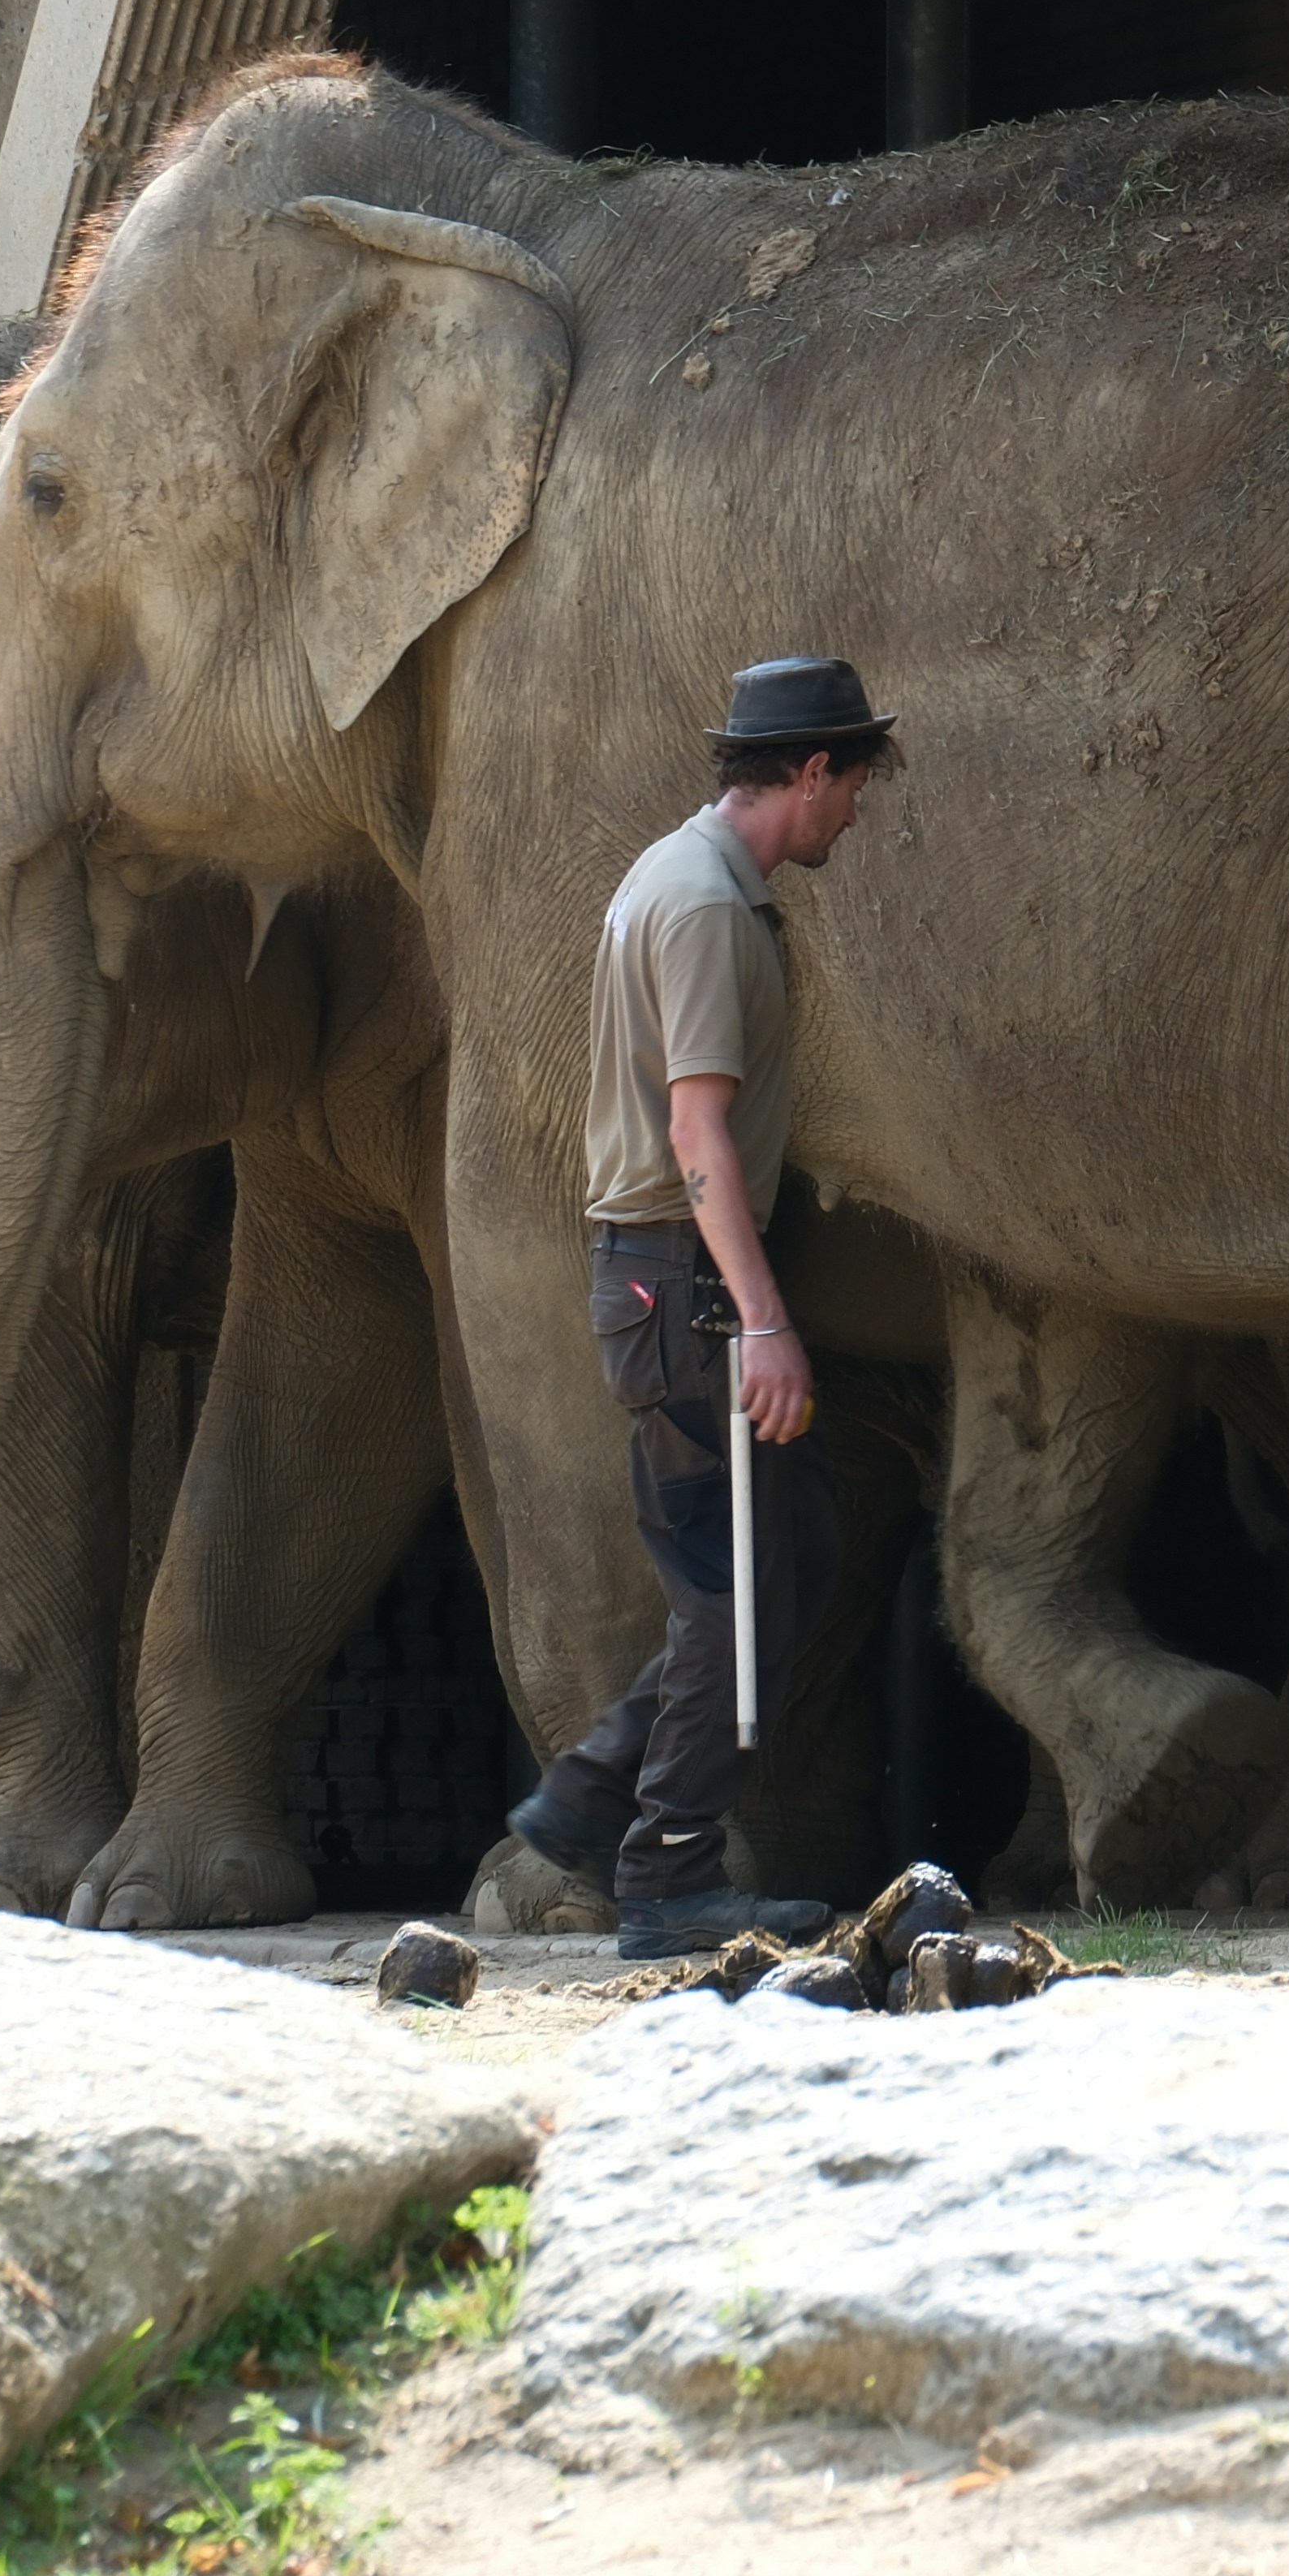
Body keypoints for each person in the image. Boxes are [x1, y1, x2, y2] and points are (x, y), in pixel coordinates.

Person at [504, 656, 903, 1960]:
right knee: (734, 1584)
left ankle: (592, 1796)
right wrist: (764, 1319)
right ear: (808, 773)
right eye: (853, 786)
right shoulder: (708, 909)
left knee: (781, 1563)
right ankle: (666, 1870)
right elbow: (698, 1134)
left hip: (660, 1275)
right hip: (677, 1278)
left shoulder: (684, 878)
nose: (856, 815)